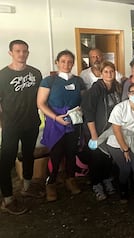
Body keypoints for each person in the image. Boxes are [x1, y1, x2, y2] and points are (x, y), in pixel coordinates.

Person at [0, 40, 43, 215]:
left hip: (31, 123)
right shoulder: (2, 76)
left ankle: (27, 186)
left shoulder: (35, 73)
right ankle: (8, 199)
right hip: (11, 125)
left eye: (25, 51)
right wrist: (3, 123)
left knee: (28, 155)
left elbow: (41, 97)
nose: (22, 54)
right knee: (6, 161)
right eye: (18, 51)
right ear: (11, 53)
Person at [37, 50, 86, 202]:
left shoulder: (78, 81)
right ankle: (51, 183)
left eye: (70, 61)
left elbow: (83, 100)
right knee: (56, 154)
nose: (67, 64)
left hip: (74, 121)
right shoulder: (49, 81)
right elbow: (40, 103)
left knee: (72, 152)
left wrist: (80, 111)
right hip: (55, 122)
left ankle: (70, 179)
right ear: (57, 62)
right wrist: (55, 117)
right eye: (63, 61)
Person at [81, 61, 122, 201]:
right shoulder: (96, 89)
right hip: (96, 131)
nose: (109, 74)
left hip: (110, 131)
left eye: (111, 71)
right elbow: (89, 113)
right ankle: (96, 184)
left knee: (108, 157)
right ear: (101, 73)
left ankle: (106, 180)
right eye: (106, 71)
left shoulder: (117, 88)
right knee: (96, 159)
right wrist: (94, 135)